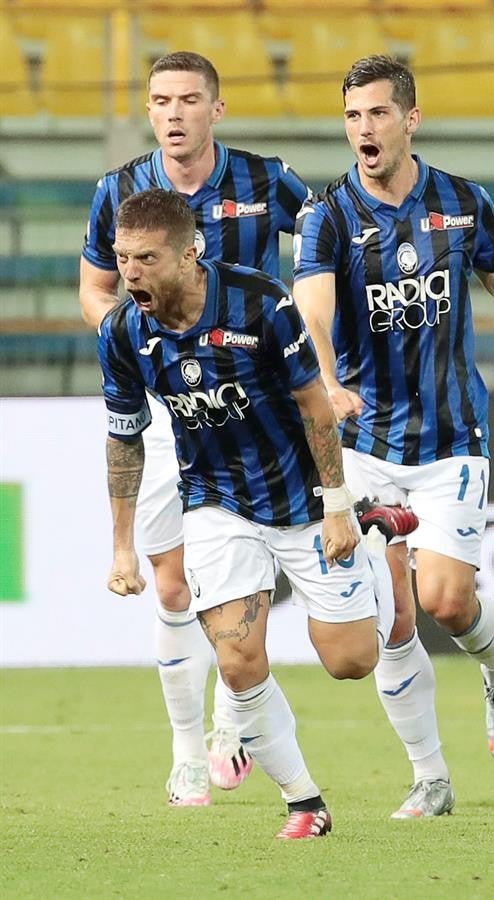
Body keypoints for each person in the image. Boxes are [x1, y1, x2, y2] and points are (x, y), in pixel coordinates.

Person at [293, 55, 494, 812]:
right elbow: (311, 305)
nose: (363, 130)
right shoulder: (328, 215)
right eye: (352, 116)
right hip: (365, 446)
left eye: (376, 114)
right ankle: (430, 777)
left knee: (446, 602)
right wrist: (328, 380)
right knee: (392, 615)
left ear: (410, 120)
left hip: (450, 439)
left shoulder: (463, 204)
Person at [97, 187, 399, 839]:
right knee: (236, 661)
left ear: (187, 255)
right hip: (214, 503)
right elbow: (123, 437)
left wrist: (340, 505)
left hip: (301, 501)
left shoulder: (261, 304)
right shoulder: (124, 333)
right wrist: (122, 546)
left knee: (350, 661)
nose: (131, 273)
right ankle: (304, 802)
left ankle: (374, 541)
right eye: (122, 258)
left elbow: (317, 408)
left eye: (146, 258)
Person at [79, 51, 310, 806]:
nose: (173, 113)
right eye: (159, 101)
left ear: (217, 108)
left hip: (256, 412)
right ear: (148, 111)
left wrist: (318, 344)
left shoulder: (267, 179)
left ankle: (229, 715)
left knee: (241, 569)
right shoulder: (117, 190)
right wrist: (145, 349)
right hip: (168, 408)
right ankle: (187, 751)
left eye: (187, 99)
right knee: (171, 585)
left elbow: (328, 247)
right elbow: (96, 291)